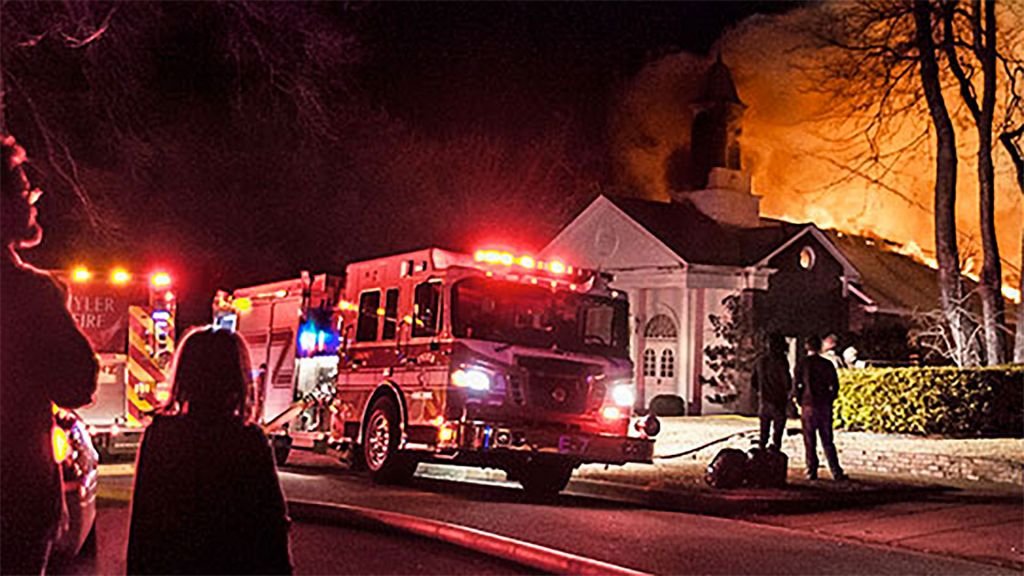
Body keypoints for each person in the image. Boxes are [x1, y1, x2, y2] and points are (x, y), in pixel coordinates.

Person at [1, 134, 99, 574]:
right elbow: (77, 384)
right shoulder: (32, 294)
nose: (33, 197)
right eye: (22, 189)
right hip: (15, 498)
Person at [127, 327, 292, 574]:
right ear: (236, 378)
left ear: (184, 376)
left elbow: (143, 526)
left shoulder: (160, 437)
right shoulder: (248, 442)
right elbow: (271, 525)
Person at [793, 335, 847, 481]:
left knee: (810, 440)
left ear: (807, 347)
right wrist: (830, 399)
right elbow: (835, 385)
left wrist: (799, 400)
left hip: (808, 405)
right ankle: (835, 471)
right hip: (824, 405)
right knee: (827, 440)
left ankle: (811, 470)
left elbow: (797, 385)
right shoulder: (827, 364)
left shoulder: (802, 364)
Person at [750, 333, 791, 450]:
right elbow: (786, 381)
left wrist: (760, 391)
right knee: (777, 436)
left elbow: (754, 381)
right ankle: (774, 459)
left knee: (763, 434)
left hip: (764, 401)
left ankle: (760, 458)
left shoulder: (760, 361)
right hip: (778, 401)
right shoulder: (781, 361)